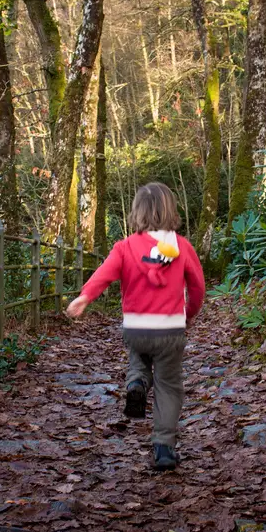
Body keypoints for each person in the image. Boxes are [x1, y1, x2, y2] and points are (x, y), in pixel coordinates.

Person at [66, 183, 205, 471]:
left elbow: (104, 274)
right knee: (168, 387)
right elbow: (198, 287)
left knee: (138, 355)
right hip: (169, 330)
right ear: (171, 210)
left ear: (137, 212)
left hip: (136, 328)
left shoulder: (125, 247)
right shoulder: (182, 246)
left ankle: (136, 382)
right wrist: (189, 314)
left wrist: (85, 296)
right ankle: (164, 448)